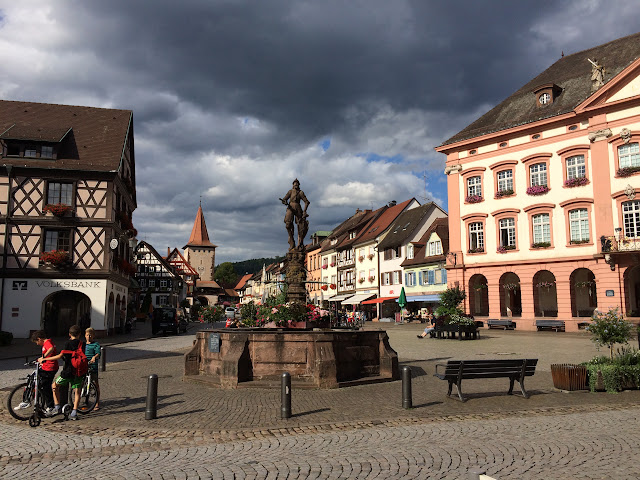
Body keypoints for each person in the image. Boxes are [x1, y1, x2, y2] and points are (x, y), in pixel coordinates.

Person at [45, 325, 84, 420]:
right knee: (77, 392)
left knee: (54, 386)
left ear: (69, 334)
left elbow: (60, 356)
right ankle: (74, 412)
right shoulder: (82, 344)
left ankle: (57, 407)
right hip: (78, 371)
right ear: (79, 334)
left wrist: (45, 358)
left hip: (67, 371)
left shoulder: (68, 343)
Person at [30, 330, 58, 411]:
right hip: (46, 366)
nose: (37, 344)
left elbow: (51, 349)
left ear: (39, 339)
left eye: (36, 342)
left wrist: (43, 357)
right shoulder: (46, 343)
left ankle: (50, 406)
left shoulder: (47, 342)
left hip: (50, 368)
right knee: (36, 379)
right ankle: (38, 400)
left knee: (46, 386)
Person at [280, 179, 310, 250]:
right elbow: (284, 199)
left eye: (297, 183)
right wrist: (284, 202)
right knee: (288, 224)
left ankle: (300, 243)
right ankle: (291, 241)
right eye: (294, 183)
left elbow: (307, 202)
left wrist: (304, 211)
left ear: (299, 185)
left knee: (300, 226)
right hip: (290, 207)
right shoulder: (290, 192)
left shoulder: (300, 192)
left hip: (298, 208)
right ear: (293, 185)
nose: (296, 184)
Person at [84, 327, 101, 410]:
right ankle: (84, 400)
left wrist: (94, 357)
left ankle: (97, 402)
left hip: (93, 366)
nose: (89, 337)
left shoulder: (96, 344)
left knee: (95, 383)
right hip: (84, 366)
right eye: (87, 335)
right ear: (85, 336)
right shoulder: (83, 345)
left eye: (90, 335)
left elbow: (98, 353)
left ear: (93, 336)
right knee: (83, 383)